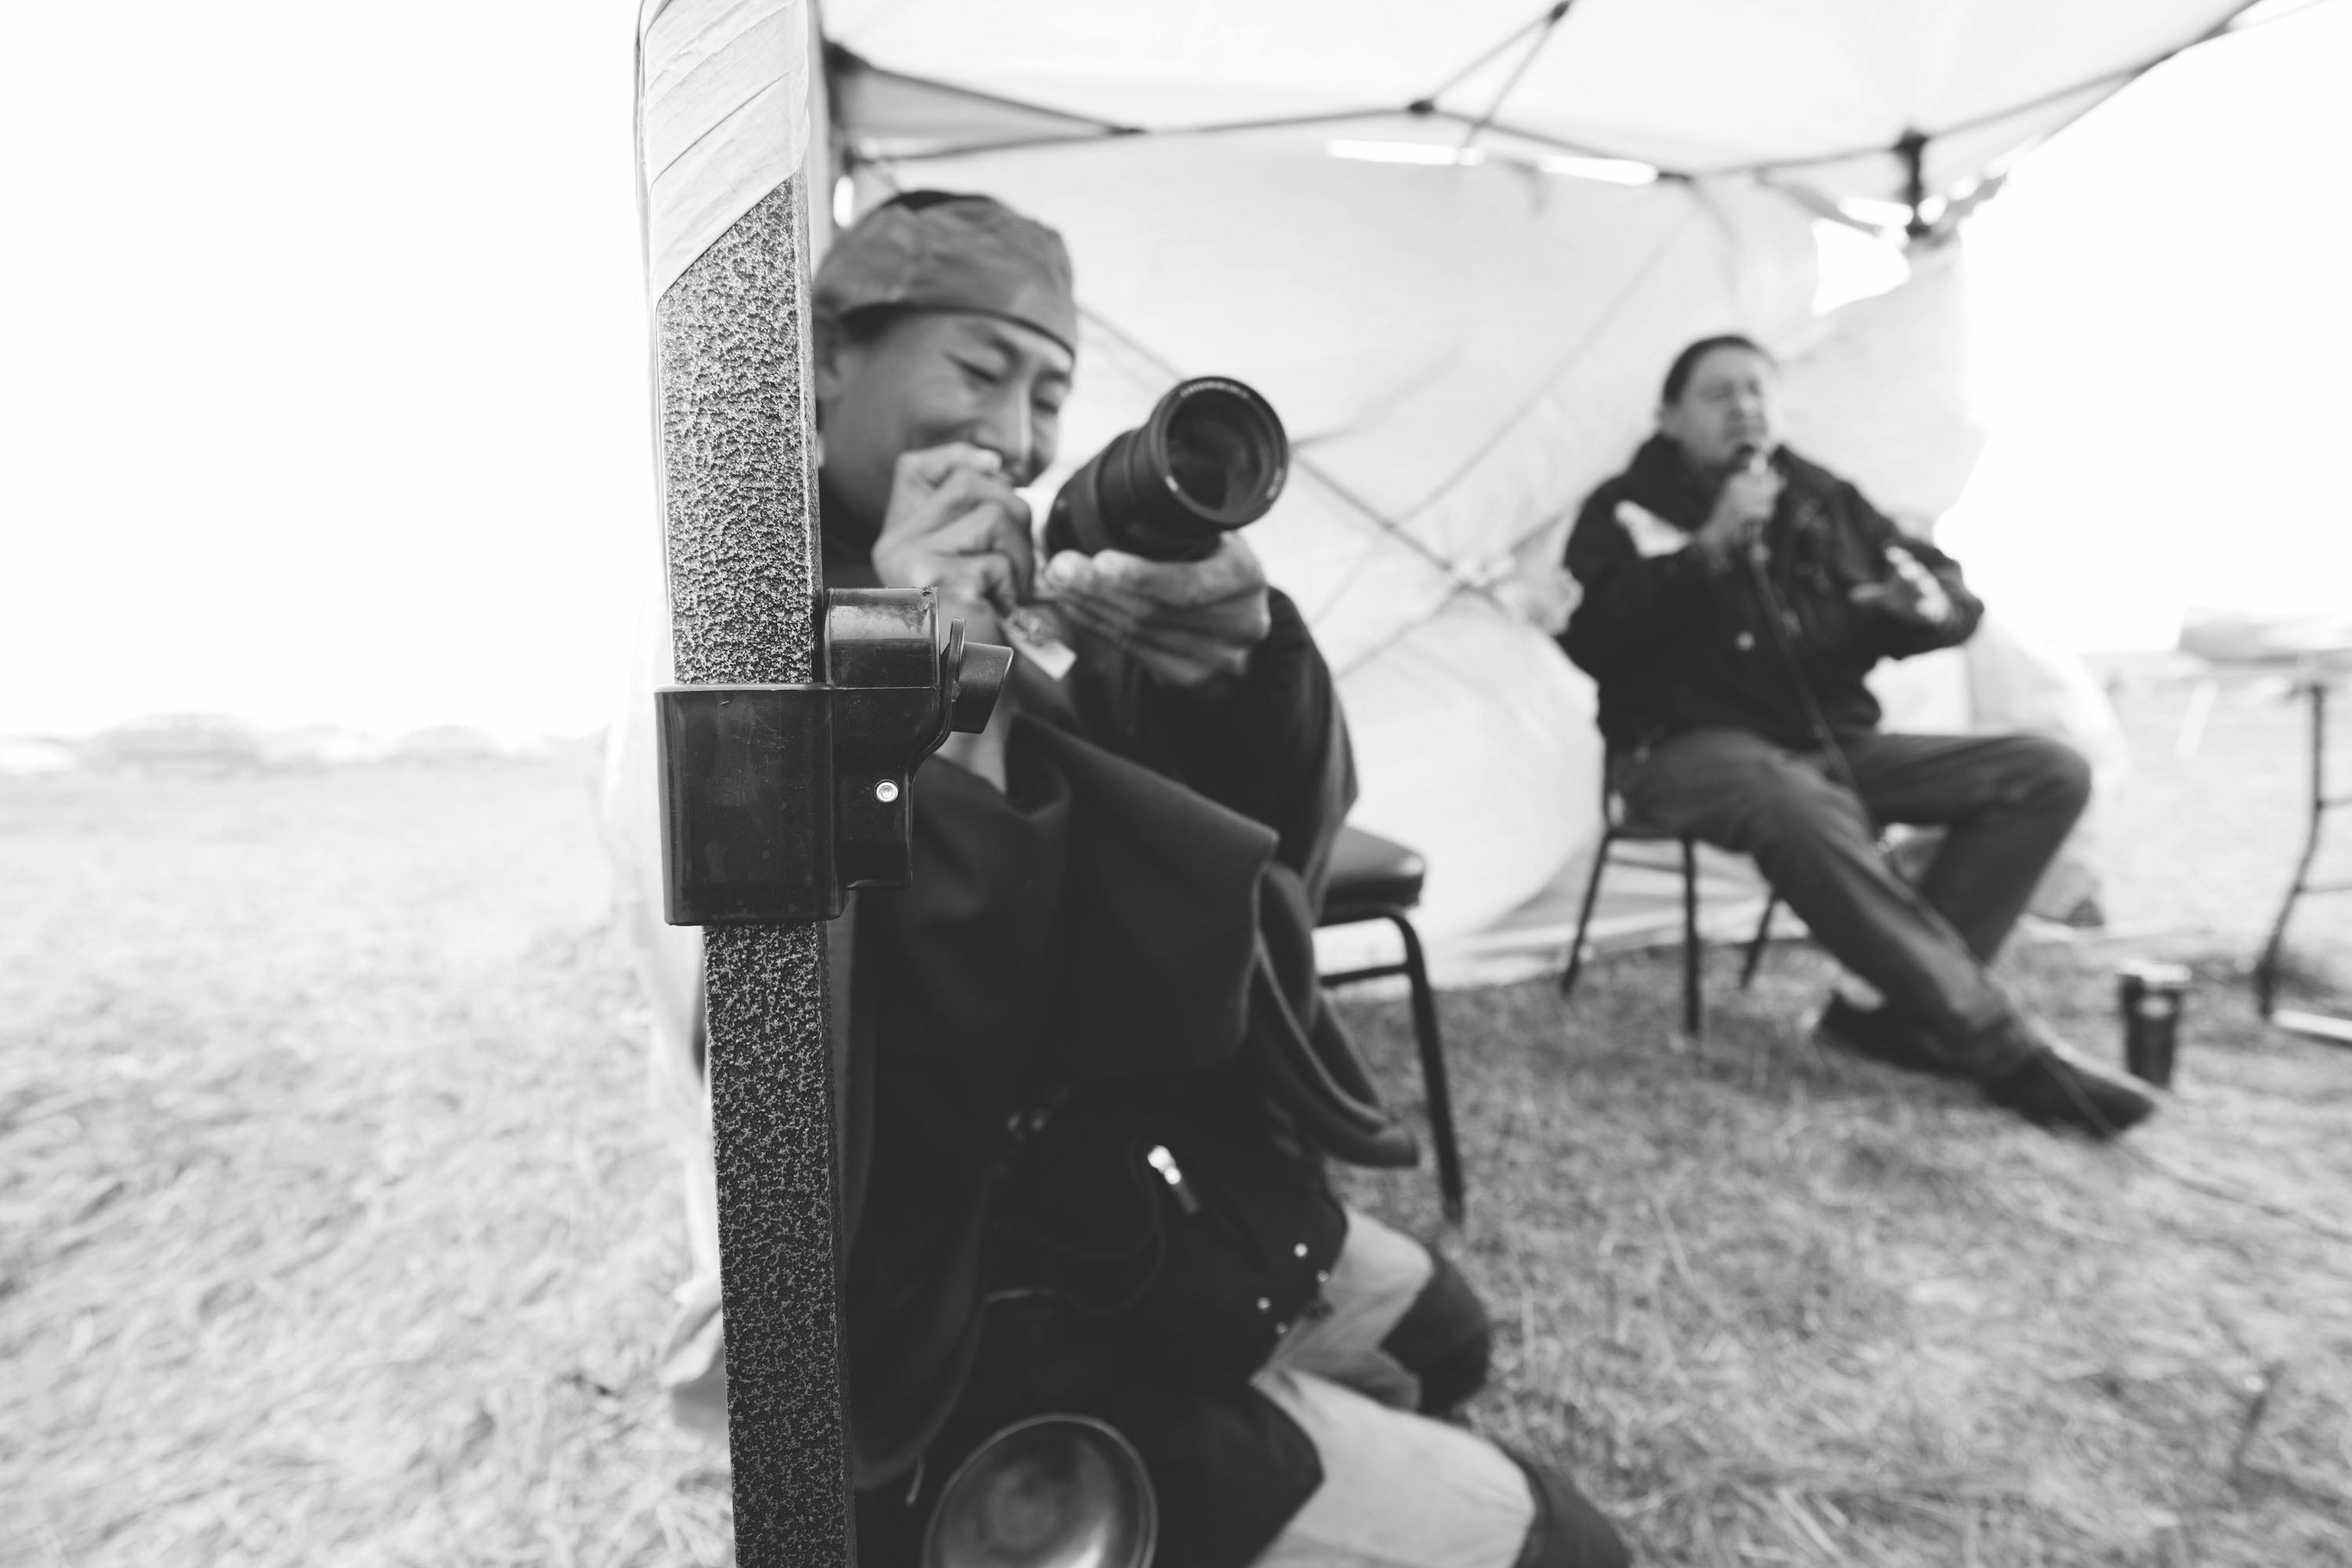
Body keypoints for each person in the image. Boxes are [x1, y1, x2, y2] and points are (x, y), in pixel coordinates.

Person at [673, 190, 1629, 1568]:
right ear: (829, 355)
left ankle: (1258, 1398)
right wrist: (915, 678)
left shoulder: (1005, 593)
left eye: (1050, 390)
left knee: (1444, 1334)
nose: (1012, 436)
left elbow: (1245, 861)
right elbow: (838, 1095)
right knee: (1568, 1550)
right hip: (983, 1291)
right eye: (978, 368)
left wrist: (1240, 672)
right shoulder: (740, 643)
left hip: (1132, 1161)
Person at [1559, 333, 2155, 1139]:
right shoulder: (1624, 508)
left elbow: (1941, 588)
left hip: (1831, 746)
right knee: (1790, 795)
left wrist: (1924, 608)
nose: (1744, 405)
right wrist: (1707, 548)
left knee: (2046, 770)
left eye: (1757, 389)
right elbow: (1594, 639)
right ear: (1669, 415)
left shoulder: (1823, 499)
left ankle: (1895, 1017)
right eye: (1719, 392)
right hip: (1683, 751)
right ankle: (2000, 1045)